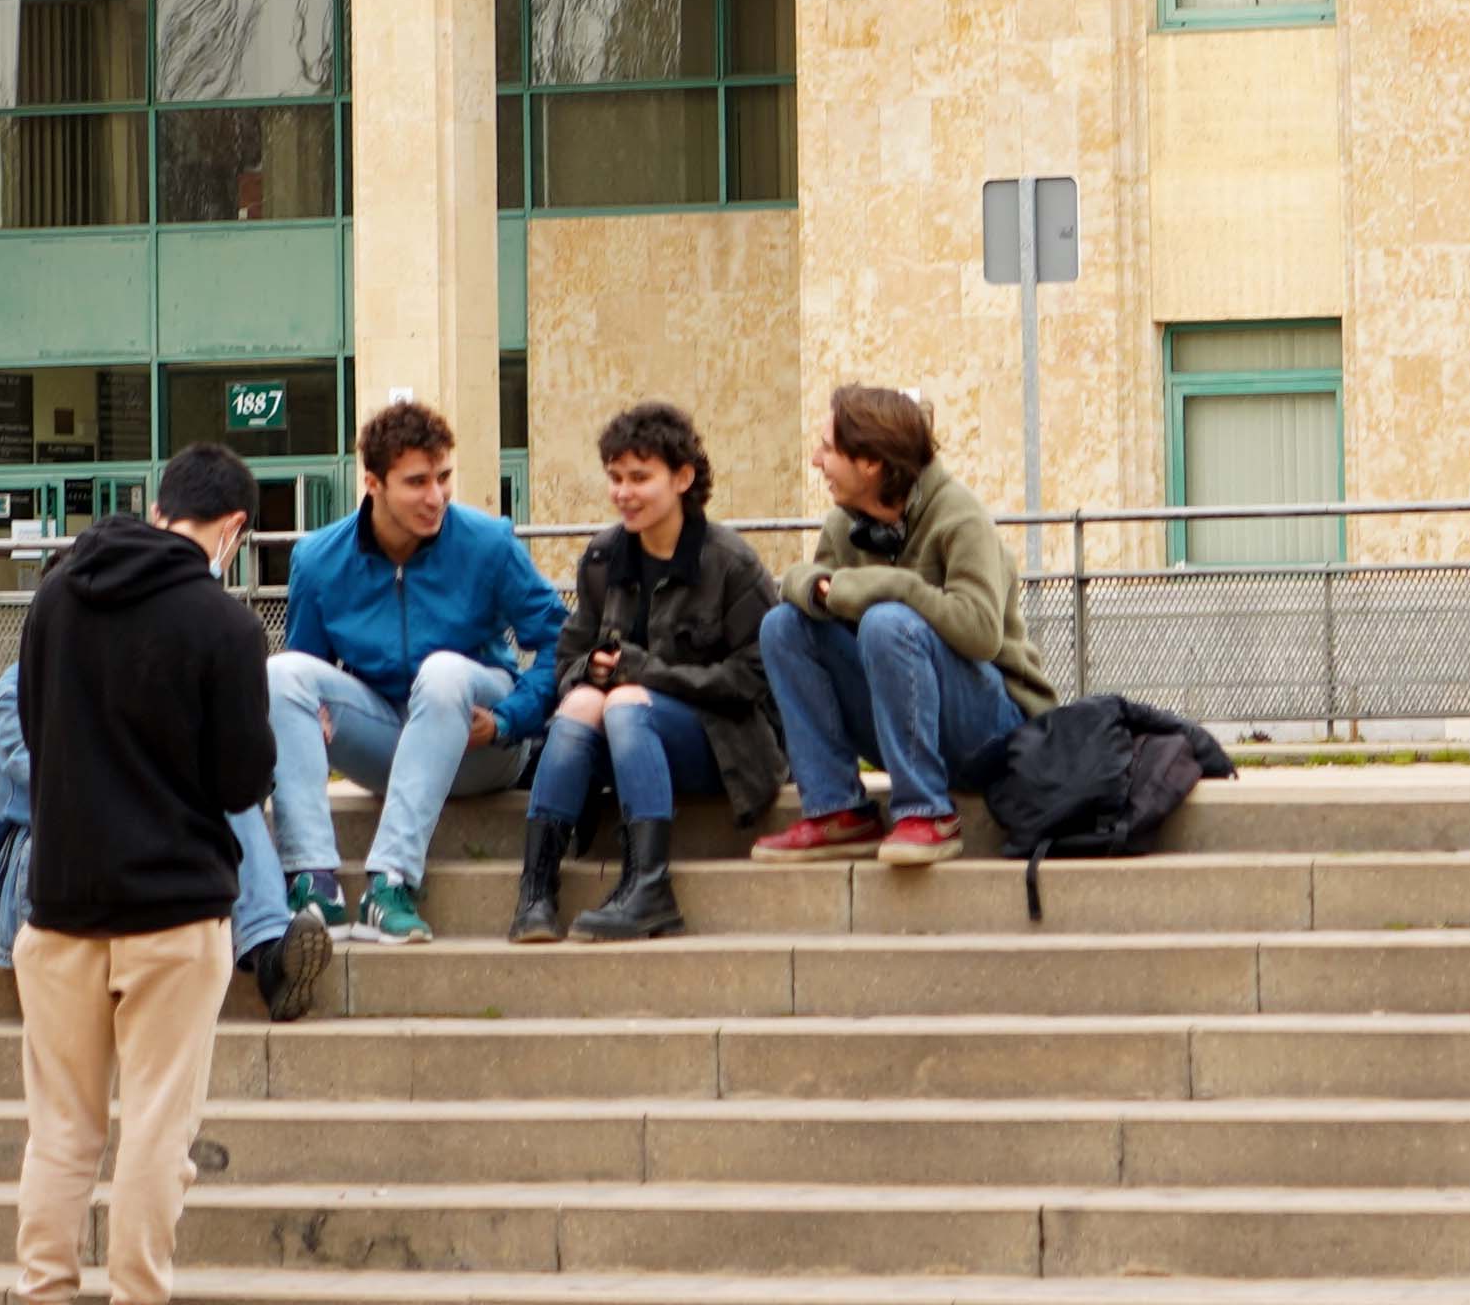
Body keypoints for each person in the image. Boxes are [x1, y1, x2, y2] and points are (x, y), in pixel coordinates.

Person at [0, 440, 275, 1305]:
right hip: (175, 910)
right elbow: (243, 779)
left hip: (62, 903)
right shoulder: (225, 627)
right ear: (233, 528)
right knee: (157, 1123)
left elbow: (35, 731)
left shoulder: (57, 598)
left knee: (61, 1125)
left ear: (162, 506)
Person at [262, 400, 564, 944]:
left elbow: (558, 643)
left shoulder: (488, 543)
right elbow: (307, 667)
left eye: (444, 477)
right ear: (373, 483)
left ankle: (391, 883)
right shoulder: (317, 559)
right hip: (385, 740)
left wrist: (509, 719)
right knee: (282, 674)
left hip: (481, 743)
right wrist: (311, 721)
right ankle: (313, 883)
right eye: (417, 482)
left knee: (445, 669)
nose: (437, 497)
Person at [512, 399, 786, 941]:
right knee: (586, 699)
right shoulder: (603, 558)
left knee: (623, 699)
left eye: (640, 477)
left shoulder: (731, 563)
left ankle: (650, 888)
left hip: (724, 747)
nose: (623, 492)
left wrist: (646, 675)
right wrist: (590, 669)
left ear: (682, 478)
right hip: (622, 741)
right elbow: (565, 661)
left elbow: (755, 681)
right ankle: (536, 892)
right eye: (615, 477)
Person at [750, 382, 1053, 864]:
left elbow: (980, 633)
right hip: (906, 718)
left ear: (870, 462)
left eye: (828, 449)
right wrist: (815, 588)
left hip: (994, 730)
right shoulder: (842, 524)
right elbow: (808, 586)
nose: (814, 460)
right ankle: (837, 811)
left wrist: (894, 588)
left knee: (887, 622)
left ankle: (929, 814)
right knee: (783, 626)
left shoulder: (959, 515)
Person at [0, 653, 328, 1024]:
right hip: (44, 862)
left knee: (227, 796)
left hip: (138, 852)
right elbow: (57, 789)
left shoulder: (137, 679)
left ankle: (271, 953)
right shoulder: (18, 689)